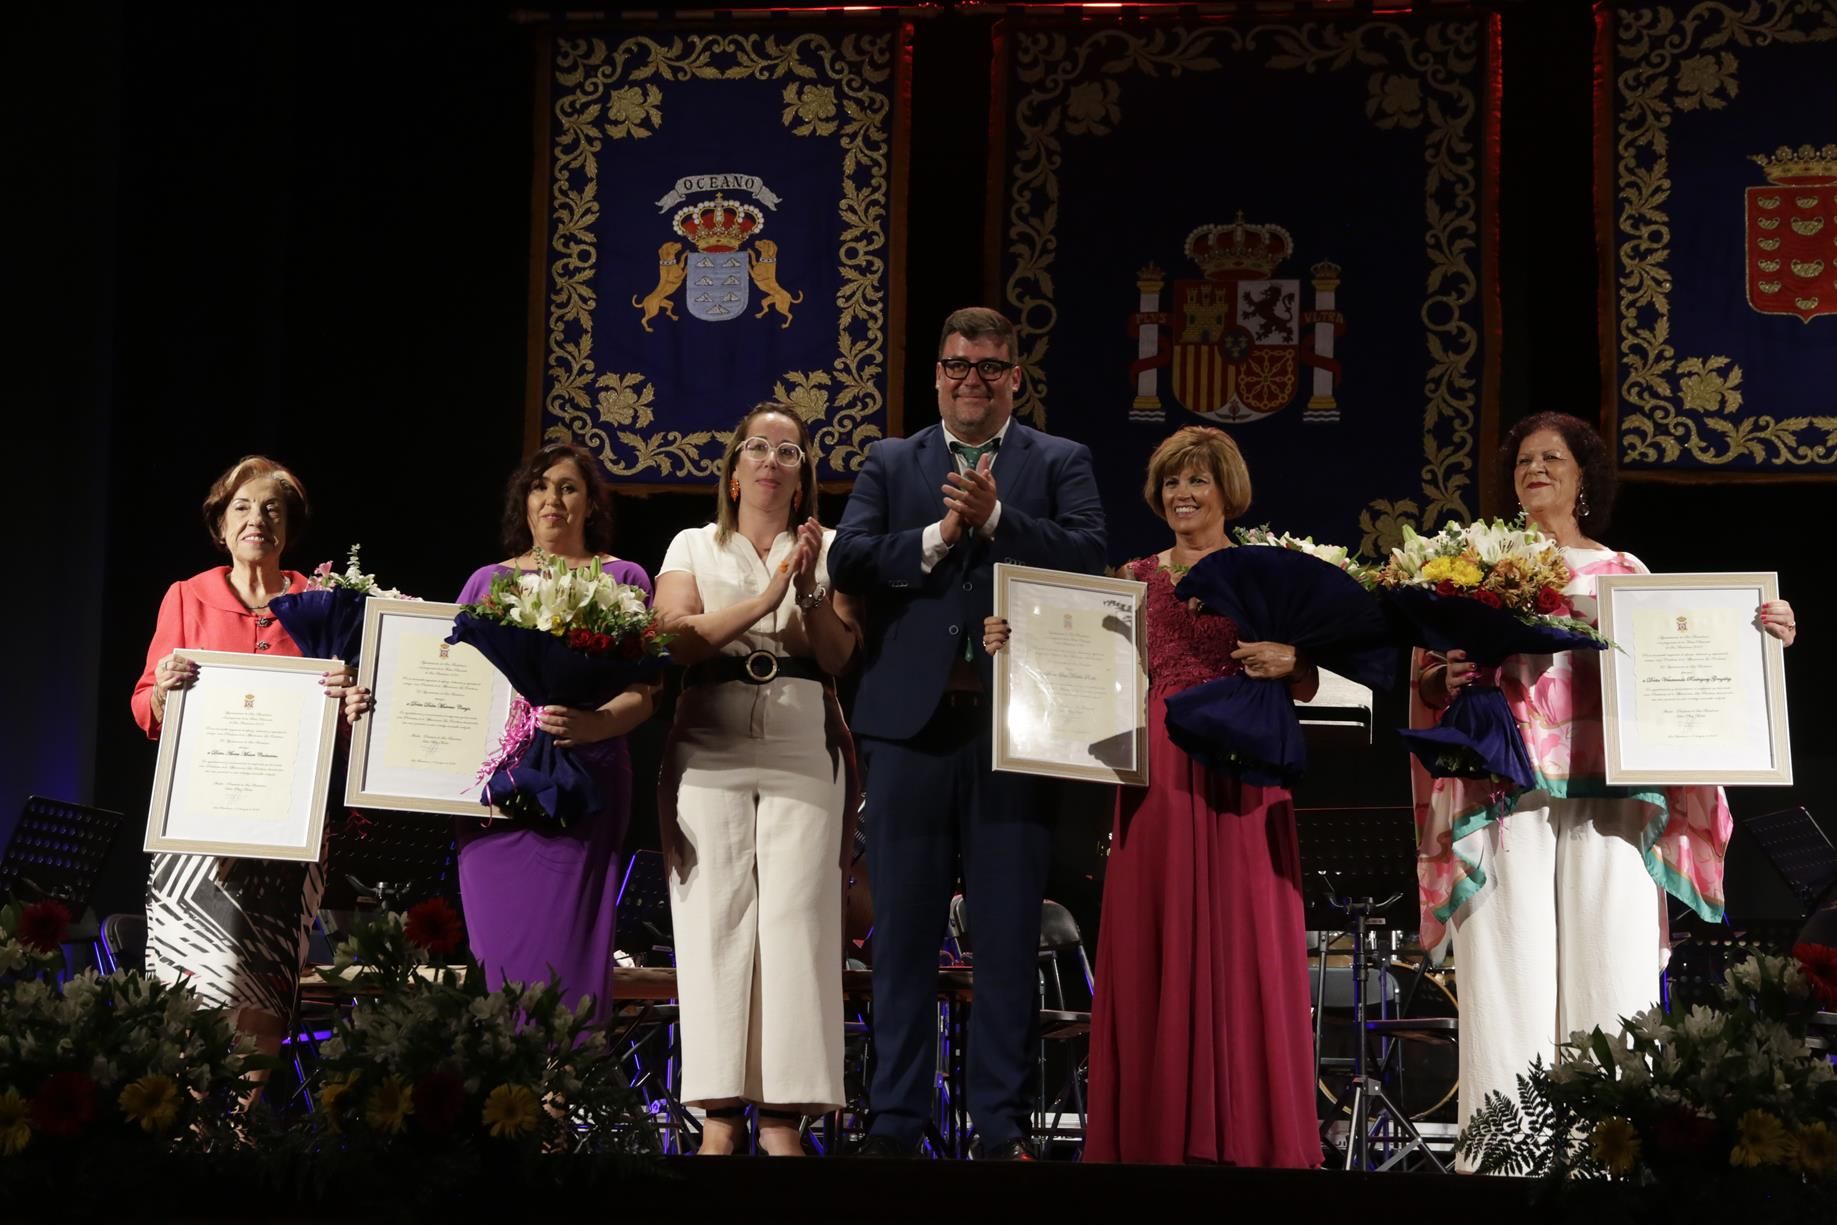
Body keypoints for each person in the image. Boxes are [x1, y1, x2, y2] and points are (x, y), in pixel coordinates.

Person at [1411, 411, 1799, 1155]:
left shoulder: (1626, 574)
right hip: (1505, 788)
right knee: (1505, 968)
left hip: (1614, 796)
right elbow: (1428, 676)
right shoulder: (1473, 568)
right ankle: (1502, 1162)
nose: (1534, 469)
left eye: (1551, 458)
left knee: (1611, 971)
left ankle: (1610, 1156)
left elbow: (1692, 655)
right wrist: (1442, 672)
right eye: (1523, 460)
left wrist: (1761, 631)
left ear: (1583, 475)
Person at [983, 425, 1323, 1167]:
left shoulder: (1266, 568)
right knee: (1155, 933)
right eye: (1171, 482)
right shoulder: (1134, 574)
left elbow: (1306, 679)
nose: (1182, 494)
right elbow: (1096, 669)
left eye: (1197, 480)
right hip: (1161, 768)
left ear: (1225, 489)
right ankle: (1156, 1131)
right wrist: (1019, 641)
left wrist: (1290, 658)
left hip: (1241, 761)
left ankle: (1247, 1129)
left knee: (1242, 934)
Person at [829, 306, 1107, 1159]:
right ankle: (896, 1121)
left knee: (1003, 933)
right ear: (938, 375)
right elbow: (848, 560)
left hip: (1012, 732)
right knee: (904, 936)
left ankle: (999, 1125)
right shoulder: (891, 460)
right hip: (907, 730)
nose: (971, 380)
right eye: (957, 366)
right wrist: (939, 535)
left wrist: (996, 523)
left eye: (989, 367)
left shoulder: (1058, 461)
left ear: (1014, 377)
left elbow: (1090, 555)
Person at [345, 442, 656, 1024]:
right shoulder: (486, 583)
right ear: (524, 501)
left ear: (590, 503)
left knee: (572, 950)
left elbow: (644, 693)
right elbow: (439, 680)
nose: (553, 499)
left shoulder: (623, 578)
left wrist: (593, 723)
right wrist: (377, 703)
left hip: (585, 784)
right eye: (540, 487)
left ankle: (563, 1095)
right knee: (500, 955)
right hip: (495, 795)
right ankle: (506, 1089)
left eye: (568, 487)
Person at [652, 403, 862, 1157]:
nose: (771, 459)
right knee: (714, 918)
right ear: (734, 471)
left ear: (803, 478)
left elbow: (838, 655)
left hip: (804, 740)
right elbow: (674, 636)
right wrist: (765, 597)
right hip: (709, 737)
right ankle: (717, 1112)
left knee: (796, 922)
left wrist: (804, 590)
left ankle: (782, 1116)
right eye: (757, 448)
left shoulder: (833, 547)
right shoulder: (691, 544)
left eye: (788, 451)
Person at [132, 455, 348, 1061]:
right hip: (195, 829)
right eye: (244, 507)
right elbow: (143, 706)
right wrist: (166, 690)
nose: (258, 520)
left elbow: (353, 719)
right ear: (221, 525)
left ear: (290, 527)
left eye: (273, 509)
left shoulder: (323, 602)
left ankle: (244, 1137)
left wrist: (353, 696)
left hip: (287, 828)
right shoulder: (185, 596)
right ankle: (190, 1131)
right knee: (193, 985)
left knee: (266, 983)